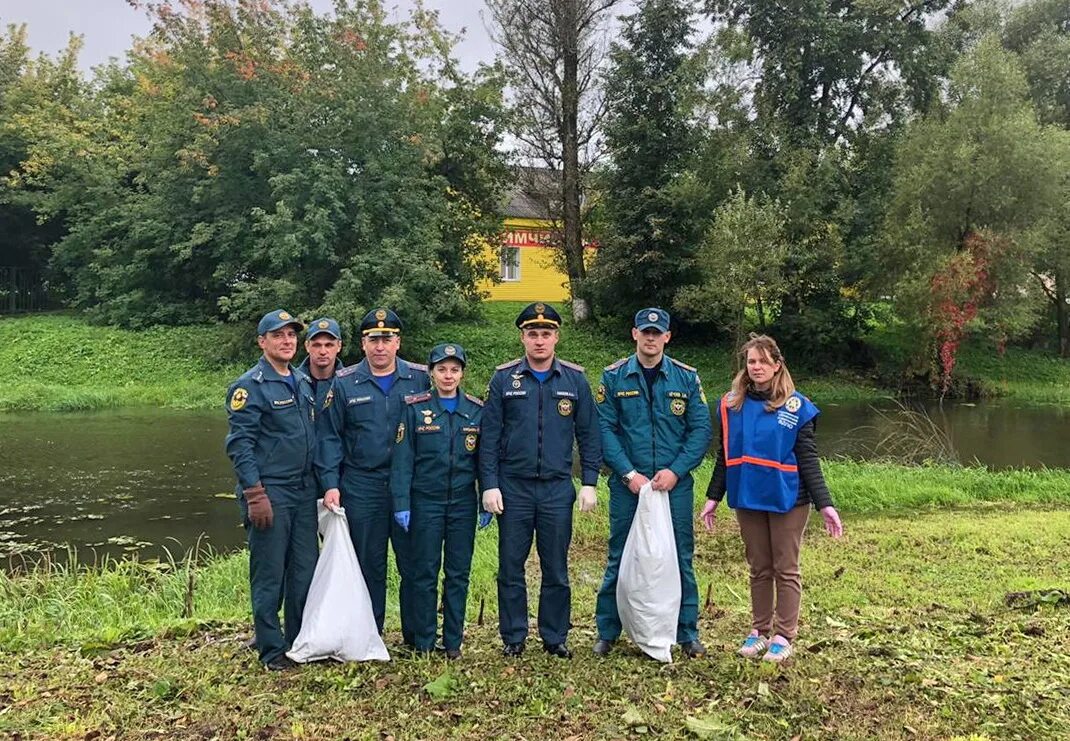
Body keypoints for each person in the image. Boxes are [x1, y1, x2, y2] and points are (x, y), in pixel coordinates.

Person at [701, 334, 844, 663]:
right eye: (752, 361)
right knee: (759, 567)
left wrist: (826, 505)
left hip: (788, 499)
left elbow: (808, 459)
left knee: (785, 567)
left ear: (777, 365)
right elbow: (725, 456)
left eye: (764, 361)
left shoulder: (796, 407)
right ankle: (759, 631)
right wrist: (713, 497)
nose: (757, 367)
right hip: (748, 496)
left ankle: (783, 635)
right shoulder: (731, 404)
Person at [480, 302, 602, 659]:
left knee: (556, 567)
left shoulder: (575, 380)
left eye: (545, 334)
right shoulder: (504, 379)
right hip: (513, 488)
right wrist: (489, 484)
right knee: (510, 567)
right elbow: (488, 437)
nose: (539, 341)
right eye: (532, 334)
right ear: (522, 337)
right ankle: (513, 636)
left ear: (556, 338)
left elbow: (589, 435)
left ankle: (554, 636)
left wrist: (590, 483)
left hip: (556, 488)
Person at [594, 307, 713, 658]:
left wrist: (676, 470)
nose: (650, 337)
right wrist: (628, 474)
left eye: (657, 332)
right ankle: (608, 630)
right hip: (628, 484)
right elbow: (605, 430)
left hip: (674, 484)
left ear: (667, 337)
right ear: (634, 334)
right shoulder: (614, 376)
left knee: (680, 555)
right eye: (644, 331)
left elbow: (701, 430)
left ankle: (686, 630)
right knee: (620, 555)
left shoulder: (686, 378)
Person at [317, 308, 430, 644]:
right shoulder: (345, 381)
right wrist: (330, 485)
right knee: (369, 566)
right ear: (362, 344)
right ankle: (369, 635)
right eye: (373, 339)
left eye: (387, 338)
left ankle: (418, 638)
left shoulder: (421, 378)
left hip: (410, 486)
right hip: (362, 485)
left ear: (398, 342)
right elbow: (329, 437)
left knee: (415, 564)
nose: (380, 346)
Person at [224, 309, 319, 671]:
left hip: (303, 491)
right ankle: (270, 649)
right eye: (278, 335)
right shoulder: (250, 386)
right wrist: (254, 493)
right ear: (262, 341)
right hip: (271, 491)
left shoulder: (301, 380)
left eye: (292, 335)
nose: (287, 341)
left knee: (303, 570)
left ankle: (297, 640)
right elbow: (240, 445)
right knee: (269, 572)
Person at [389, 343, 490, 660]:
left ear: (462, 373)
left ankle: (453, 642)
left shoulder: (475, 410)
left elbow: (484, 459)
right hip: (425, 503)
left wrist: (485, 497)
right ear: (431, 373)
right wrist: (401, 501)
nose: (448, 375)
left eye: (454, 369)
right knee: (424, 572)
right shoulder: (415, 408)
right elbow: (403, 460)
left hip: (461, 503)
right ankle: (424, 640)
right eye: (442, 369)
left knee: (458, 573)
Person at [298, 317, 344, 411]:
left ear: (339, 346)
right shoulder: (294, 382)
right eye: (317, 345)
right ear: (307, 346)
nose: (323, 352)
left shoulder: (349, 383)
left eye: (329, 345)